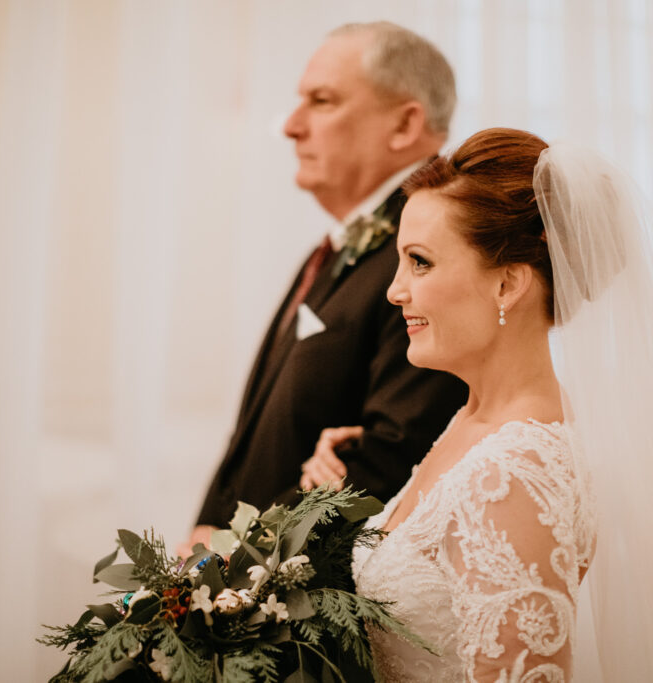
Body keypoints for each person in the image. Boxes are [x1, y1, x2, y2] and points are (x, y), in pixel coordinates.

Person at [304, 127, 653, 681]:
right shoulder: (473, 422)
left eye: (420, 262)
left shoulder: (516, 474)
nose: (395, 290)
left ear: (508, 284)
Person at [179, 22, 467, 557]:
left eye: (322, 101)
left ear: (405, 124)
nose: (291, 126)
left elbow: (390, 458)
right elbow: (258, 431)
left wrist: (230, 558)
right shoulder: (338, 247)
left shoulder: (434, 255)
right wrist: (204, 536)